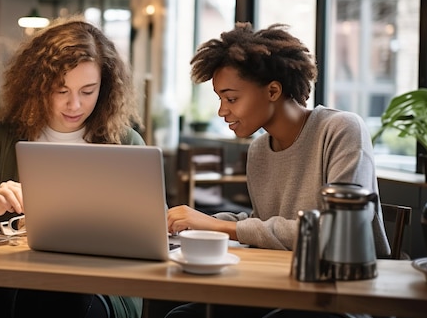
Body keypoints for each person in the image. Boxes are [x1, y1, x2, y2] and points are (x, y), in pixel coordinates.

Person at [0, 16, 144, 318]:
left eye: (87, 91)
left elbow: (150, 223)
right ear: (37, 86)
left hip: (100, 284)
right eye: (61, 91)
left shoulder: (125, 143)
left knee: (62, 301)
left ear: (104, 88)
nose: (74, 105)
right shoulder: (1, 138)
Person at [165, 22, 390, 318]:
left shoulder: (341, 129)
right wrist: (198, 223)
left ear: (272, 90)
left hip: (344, 296)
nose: (222, 111)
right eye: (221, 99)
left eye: (231, 98)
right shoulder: (259, 150)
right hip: (282, 287)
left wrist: (221, 226)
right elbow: (265, 224)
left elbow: (335, 233)